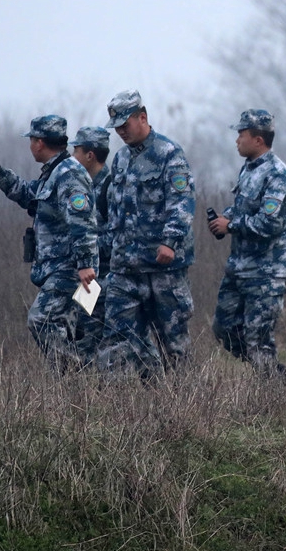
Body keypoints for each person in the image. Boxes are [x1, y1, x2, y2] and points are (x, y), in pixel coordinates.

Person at [0, 115, 98, 374]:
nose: (30, 146)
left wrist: (85, 264)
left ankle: (78, 375)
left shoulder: (69, 174)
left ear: (39, 142)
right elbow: (31, 197)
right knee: (67, 329)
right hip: (58, 268)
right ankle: (74, 390)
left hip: (70, 269)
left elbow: (82, 219)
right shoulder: (54, 172)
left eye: (31, 140)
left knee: (42, 319)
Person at [96, 89, 196, 378]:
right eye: (116, 128)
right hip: (126, 267)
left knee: (172, 343)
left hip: (163, 266)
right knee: (117, 336)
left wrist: (170, 242)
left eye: (125, 125)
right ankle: (123, 404)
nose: (121, 132)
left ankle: (184, 404)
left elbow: (182, 202)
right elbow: (115, 209)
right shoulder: (120, 160)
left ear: (143, 117)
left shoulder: (169, 154)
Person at [207, 109, 286, 379]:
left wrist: (231, 226)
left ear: (258, 140)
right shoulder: (248, 169)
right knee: (223, 328)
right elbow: (242, 207)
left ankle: (273, 391)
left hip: (266, 272)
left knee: (258, 338)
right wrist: (225, 217)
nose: (237, 140)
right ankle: (271, 373)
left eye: (241, 135)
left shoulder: (277, 174)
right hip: (239, 268)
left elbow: (271, 223)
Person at [69, 126, 112, 364]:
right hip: (89, 280)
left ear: (90, 155)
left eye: (76, 150)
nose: (72, 157)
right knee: (83, 335)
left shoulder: (110, 187)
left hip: (105, 277)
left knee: (99, 337)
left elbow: (118, 235)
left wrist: (87, 250)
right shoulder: (81, 185)